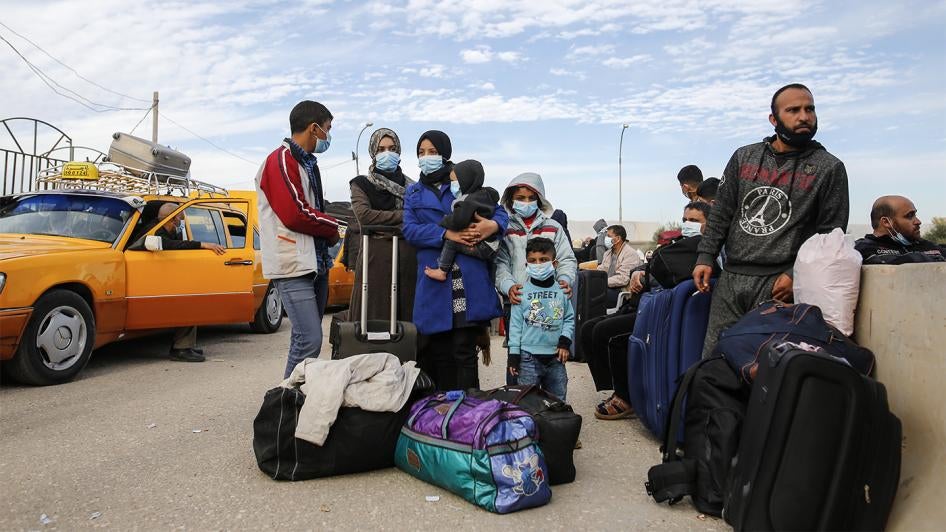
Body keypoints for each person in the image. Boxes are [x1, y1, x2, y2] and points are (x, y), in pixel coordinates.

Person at [694, 83, 850, 357]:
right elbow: (721, 213)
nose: (804, 116)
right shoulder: (745, 157)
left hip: (779, 286)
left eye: (809, 109)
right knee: (714, 359)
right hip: (732, 279)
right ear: (774, 119)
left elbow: (830, 237)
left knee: (764, 366)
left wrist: (794, 275)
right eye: (793, 110)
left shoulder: (829, 168)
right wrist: (705, 256)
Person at [402, 130, 508, 391]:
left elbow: (500, 211)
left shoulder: (461, 180)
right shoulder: (413, 193)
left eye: (433, 152)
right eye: (421, 153)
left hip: (467, 279)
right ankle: (440, 415)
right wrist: (445, 233)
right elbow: (409, 230)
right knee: (437, 350)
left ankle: (469, 412)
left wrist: (493, 226)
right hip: (435, 279)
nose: (427, 157)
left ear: (445, 154)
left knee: (464, 350)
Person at [586, 202, 711, 419]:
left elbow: (661, 269)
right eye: (685, 220)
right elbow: (650, 265)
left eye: (694, 221)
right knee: (589, 328)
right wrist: (639, 273)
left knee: (609, 333)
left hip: (664, 311)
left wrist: (642, 273)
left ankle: (626, 396)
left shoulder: (704, 251)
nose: (687, 225)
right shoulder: (678, 244)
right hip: (644, 302)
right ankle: (618, 385)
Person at [256, 100, 341, 378]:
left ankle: (295, 402)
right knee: (309, 340)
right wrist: (332, 228)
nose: (328, 136)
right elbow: (296, 213)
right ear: (313, 128)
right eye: (327, 129)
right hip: (292, 265)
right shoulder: (281, 160)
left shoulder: (306, 164)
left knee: (304, 343)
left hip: (314, 262)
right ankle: (285, 409)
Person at [495, 172, 577, 384]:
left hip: (551, 301)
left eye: (532, 198)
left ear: (540, 200)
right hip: (517, 300)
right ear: (511, 200)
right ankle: (517, 404)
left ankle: (552, 406)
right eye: (521, 198)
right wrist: (508, 286)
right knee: (517, 354)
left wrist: (565, 280)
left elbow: (567, 259)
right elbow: (500, 264)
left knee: (553, 353)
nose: (526, 202)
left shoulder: (554, 227)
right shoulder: (505, 229)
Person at [135, 202, 226, 362]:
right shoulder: (153, 231)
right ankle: (181, 349)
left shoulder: (170, 230)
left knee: (192, 298)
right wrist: (202, 244)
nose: (181, 222)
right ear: (173, 219)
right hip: (150, 281)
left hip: (165, 277)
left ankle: (185, 345)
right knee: (188, 303)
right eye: (180, 218)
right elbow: (171, 245)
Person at [348, 127, 417, 321]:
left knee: (406, 320)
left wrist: (385, 221)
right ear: (373, 153)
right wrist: (403, 215)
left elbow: (420, 218)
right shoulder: (361, 184)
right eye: (381, 149)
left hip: (407, 260)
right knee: (373, 317)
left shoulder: (412, 188)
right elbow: (365, 216)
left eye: (392, 148)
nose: (387, 153)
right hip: (375, 259)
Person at [507, 237, 575, 401]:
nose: (538, 264)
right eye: (533, 260)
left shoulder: (562, 291)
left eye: (543, 260)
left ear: (554, 263)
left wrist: (564, 343)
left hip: (556, 358)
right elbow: (515, 326)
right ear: (526, 265)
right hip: (528, 358)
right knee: (528, 400)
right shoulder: (521, 293)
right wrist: (514, 356)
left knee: (557, 399)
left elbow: (568, 319)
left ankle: (555, 426)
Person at [424, 159, 501, 281]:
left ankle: (442, 270)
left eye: (454, 181)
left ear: (465, 180)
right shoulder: (485, 194)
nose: (451, 184)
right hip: (493, 244)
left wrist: (443, 222)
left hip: (481, 245)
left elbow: (459, 220)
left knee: (451, 241)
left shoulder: (467, 201)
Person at [855, 195, 945, 264]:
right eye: (909, 216)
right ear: (886, 222)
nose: (918, 221)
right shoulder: (862, 250)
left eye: (915, 215)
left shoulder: (927, 246)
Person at [596, 224, 641, 307]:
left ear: (618, 239)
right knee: (588, 290)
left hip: (621, 292)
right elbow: (602, 270)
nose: (606, 239)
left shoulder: (630, 254)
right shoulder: (608, 253)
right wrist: (592, 277)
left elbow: (623, 278)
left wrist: (601, 282)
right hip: (608, 287)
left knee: (594, 294)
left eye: (609, 236)